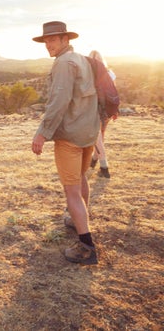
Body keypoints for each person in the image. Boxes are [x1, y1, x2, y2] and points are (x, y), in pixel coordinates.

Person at [31, 21, 101, 265]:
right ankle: (77, 219)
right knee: (81, 178)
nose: (48, 45)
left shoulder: (62, 64)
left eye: (53, 39)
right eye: (46, 40)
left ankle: (86, 246)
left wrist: (42, 133)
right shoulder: (82, 59)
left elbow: (58, 102)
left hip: (70, 136)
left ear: (64, 40)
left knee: (71, 189)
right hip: (87, 133)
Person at [88, 50, 116, 179]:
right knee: (99, 137)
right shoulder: (109, 73)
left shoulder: (90, 73)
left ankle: (104, 166)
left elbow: (113, 91)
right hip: (102, 110)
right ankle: (94, 160)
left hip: (98, 109)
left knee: (98, 137)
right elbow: (114, 91)